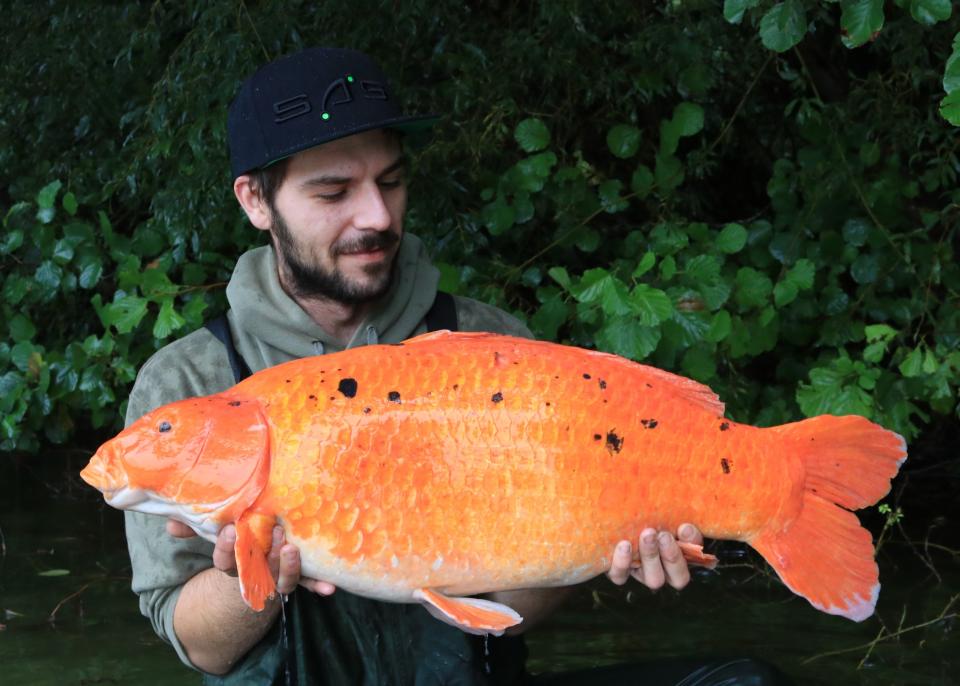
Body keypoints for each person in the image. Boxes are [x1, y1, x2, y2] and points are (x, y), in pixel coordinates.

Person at [123, 47, 789, 685]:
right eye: (334, 193)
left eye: (391, 181)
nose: (378, 216)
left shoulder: (489, 343)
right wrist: (252, 575)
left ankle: (775, 488)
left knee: (748, 683)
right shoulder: (189, 387)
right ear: (255, 201)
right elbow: (200, 647)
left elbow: (513, 614)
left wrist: (601, 539)